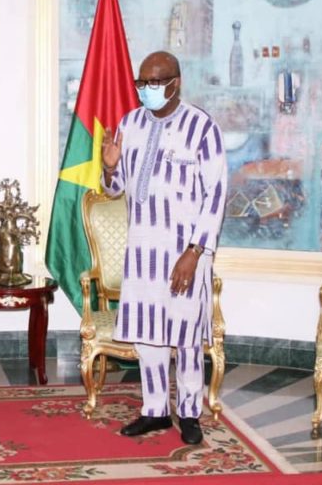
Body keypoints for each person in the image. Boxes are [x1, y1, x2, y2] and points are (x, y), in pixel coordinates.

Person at [101, 51, 227, 445]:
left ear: (176, 82)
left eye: (155, 82)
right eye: (142, 82)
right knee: (148, 335)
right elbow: (115, 189)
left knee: (186, 336)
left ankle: (189, 413)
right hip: (143, 250)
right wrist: (109, 166)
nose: (147, 89)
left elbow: (216, 194)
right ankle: (154, 410)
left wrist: (194, 251)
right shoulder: (130, 124)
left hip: (186, 251)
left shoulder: (202, 127)